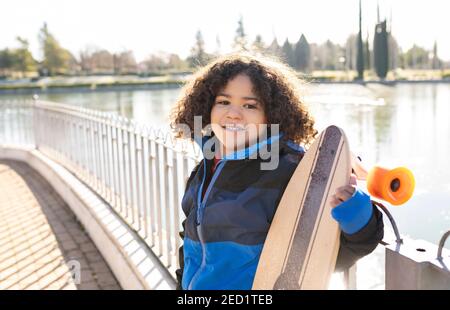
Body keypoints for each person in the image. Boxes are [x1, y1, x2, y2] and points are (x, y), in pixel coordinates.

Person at [170, 53, 384, 290]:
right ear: (207, 107)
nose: (233, 113)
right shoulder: (205, 169)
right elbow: (190, 243)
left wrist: (358, 218)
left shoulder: (288, 171)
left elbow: (326, 256)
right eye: (223, 101)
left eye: (250, 105)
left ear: (271, 114)